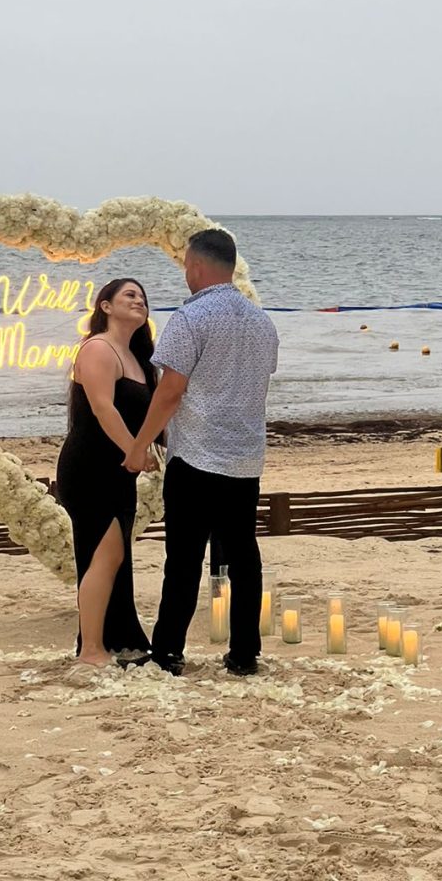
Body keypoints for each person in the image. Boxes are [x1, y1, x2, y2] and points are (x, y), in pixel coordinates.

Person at [124, 229, 279, 677]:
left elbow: (170, 391)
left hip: (196, 456)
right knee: (243, 555)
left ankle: (169, 650)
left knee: (185, 558)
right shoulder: (261, 321)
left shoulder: (191, 319)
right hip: (245, 456)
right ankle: (244, 653)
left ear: (195, 266)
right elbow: (254, 384)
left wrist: (139, 446)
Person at [56, 278, 160, 666]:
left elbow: (152, 416)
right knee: (105, 554)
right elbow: (104, 409)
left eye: (143, 297)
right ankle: (91, 649)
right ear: (105, 306)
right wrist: (134, 451)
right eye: (129, 295)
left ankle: (112, 641)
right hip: (90, 467)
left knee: (112, 555)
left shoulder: (137, 357)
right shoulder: (98, 348)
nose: (139, 301)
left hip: (118, 471)